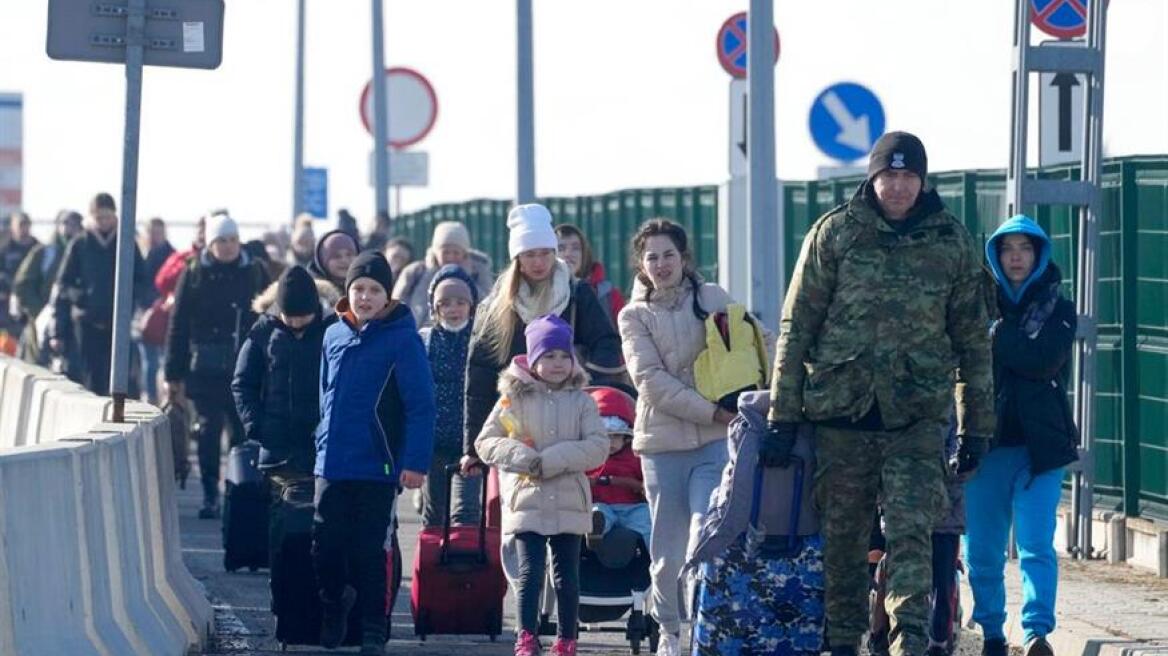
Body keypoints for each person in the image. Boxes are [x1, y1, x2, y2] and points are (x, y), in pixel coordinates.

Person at [766, 131, 994, 656]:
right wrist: (782, 414)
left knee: (912, 537)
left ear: (923, 180)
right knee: (844, 545)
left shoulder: (951, 242)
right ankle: (844, 641)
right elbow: (797, 324)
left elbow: (972, 342)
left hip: (915, 419)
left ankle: (908, 642)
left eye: (908, 176)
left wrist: (977, 425)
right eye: (888, 176)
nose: (898, 187)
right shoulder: (836, 234)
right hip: (842, 418)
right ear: (872, 178)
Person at [617, 218, 767, 656]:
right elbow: (651, 382)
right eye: (652, 257)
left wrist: (784, 380)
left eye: (669, 255)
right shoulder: (633, 316)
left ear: (684, 258)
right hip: (662, 446)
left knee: (708, 532)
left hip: (714, 441)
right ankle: (669, 631)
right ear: (641, 266)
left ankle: (706, 627)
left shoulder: (712, 297)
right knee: (666, 553)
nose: (661, 264)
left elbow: (755, 342)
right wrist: (713, 411)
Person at [964, 216, 1078, 656]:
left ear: (1039, 255)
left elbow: (1042, 360)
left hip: (1040, 450)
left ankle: (1037, 633)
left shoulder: (1058, 309)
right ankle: (993, 631)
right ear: (995, 255)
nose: (1016, 257)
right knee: (984, 551)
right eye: (1007, 248)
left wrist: (996, 335)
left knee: (1034, 545)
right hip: (985, 447)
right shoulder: (973, 307)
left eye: (1025, 249)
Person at [313, 251, 434, 655]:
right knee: (325, 546)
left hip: (378, 466)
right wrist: (320, 442)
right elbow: (325, 395)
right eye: (358, 288)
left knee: (370, 551)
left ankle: (371, 631)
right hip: (331, 463)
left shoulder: (403, 339)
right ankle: (333, 602)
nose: (365, 297)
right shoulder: (333, 334)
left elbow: (421, 405)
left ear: (387, 296)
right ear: (348, 292)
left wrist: (415, 462)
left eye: (374, 290)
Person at [474, 314, 609, 656]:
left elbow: (598, 447)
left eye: (564, 356)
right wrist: (524, 457)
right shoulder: (513, 400)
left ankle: (566, 639)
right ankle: (526, 636)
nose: (558, 363)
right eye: (549, 356)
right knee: (529, 573)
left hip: (568, 500)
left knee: (567, 577)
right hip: (527, 497)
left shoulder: (582, 401)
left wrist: (555, 458)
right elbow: (486, 442)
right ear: (533, 360)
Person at [459, 203, 624, 475]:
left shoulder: (575, 295)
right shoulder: (497, 307)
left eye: (545, 253)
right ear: (517, 259)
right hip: (516, 427)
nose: (538, 262)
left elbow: (606, 344)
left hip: (568, 423)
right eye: (530, 254)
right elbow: (479, 377)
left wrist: (585, 391)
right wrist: (473, 449)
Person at [165, 213, 269, 519]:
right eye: (221, 241)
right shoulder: (194, 273)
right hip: (205, 371)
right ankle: (210, 492)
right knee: (208, 432)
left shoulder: (254, 271)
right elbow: (178, 324)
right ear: (210, 243)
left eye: (233, 240)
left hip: (245, 367)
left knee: (242, 433)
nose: (228, 246)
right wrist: (173, 373)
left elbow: (270, 317)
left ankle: (237, 492)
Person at [50, 193, 149, 395]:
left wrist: (128, 301)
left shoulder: (126, 243)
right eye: (99, 217)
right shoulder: (80, 244)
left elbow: (141, 280)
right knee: (90, 378)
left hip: (118, 325)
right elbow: (63, 284)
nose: (103, 222)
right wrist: (81, 298)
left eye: (107, 216)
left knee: (120, 380)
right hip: (86, 324)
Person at [417, 264, 481, 528]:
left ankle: (466, 565)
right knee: (434, 512)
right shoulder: (425, 340)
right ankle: (432, 565)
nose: (453, 309)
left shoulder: (481, 340)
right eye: (445, 303)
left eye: (460, 302)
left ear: (471, 305)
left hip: (471, 442)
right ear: (435, 308)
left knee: (466, 513)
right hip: (434, 442)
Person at [583, 385, 651, 550]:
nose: (610, 443)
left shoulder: (635, 457)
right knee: (598, 512)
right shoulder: (587, 458)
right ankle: (595, 529)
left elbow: (645, 483)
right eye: (605, 438)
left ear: (626, 438)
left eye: (616, 437)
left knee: (648, 519)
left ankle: (657, 558)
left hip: (631, 506)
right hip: (601, 504)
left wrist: (638, 486)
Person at [393, 221, 494, 327]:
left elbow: (487, 307)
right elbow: (396, 308)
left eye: (456, 253)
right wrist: (431, 273)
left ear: (464, 254)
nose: (450, 257)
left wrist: (466, 277)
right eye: (445, 252)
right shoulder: (415, 273)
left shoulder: (478, 272)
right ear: (436, 253)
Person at [12, 210, 82, 338]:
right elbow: (22, 285)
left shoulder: (85, 254)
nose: (69, 228)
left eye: (75, 224)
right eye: (65, 223)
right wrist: (40, 312)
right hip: (42, 328)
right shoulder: (44, 253)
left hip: (77, 328)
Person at [136, 217, 175, 403]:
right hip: (144, 315)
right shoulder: (140, 255)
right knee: (149, 362)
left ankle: (164, 397)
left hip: (165, 316)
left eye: (158, 232)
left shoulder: (172, 257)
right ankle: (151, 397)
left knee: (163, 361)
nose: (155, 237)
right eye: (151, 232)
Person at [555, 224, 624, 328]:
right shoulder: (540, 292)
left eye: (576, 248)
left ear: (585, 254)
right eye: (561, 248)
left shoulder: (609, 295)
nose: (568, 253)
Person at [1, 211, 40, 326]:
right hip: (7, 298)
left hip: (32, 298)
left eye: (26, 225)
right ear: (13, 227)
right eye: (20, 225)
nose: (24, 228)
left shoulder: (37, 247)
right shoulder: (5, 248)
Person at [308, 229, 359, 297]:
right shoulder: (312, 294)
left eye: (349, 254)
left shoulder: (367, 288)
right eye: (337, 256)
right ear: (323, 261)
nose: (344, 260)